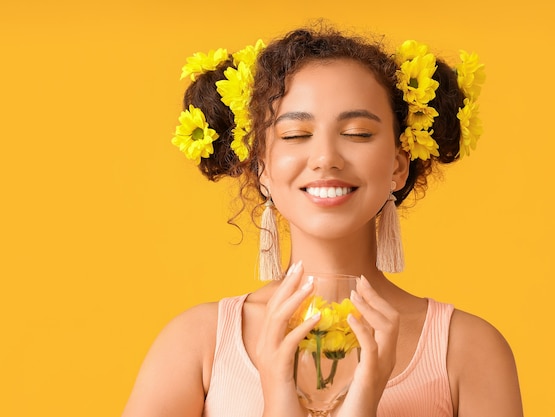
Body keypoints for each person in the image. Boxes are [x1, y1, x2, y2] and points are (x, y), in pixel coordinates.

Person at [122, 26, 523, 417]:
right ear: (262, 168)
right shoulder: (197, 343)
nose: (325, 157)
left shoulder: (467, 350)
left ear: (398, 166)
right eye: (296, 134)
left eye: (358, 133)